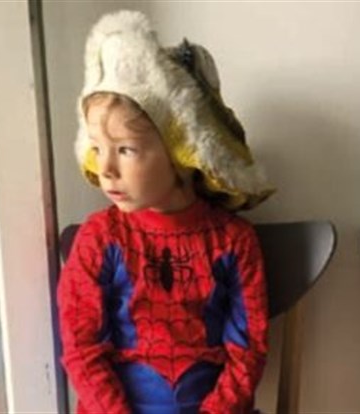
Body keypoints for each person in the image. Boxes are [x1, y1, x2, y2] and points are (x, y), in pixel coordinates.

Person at [57, 10, 275, 414]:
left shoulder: (234, 242)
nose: (105, 168)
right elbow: (81, 349)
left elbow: (248, 351)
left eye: (125, 149)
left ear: (181, 152)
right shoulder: (99, 239)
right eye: (97, 148)